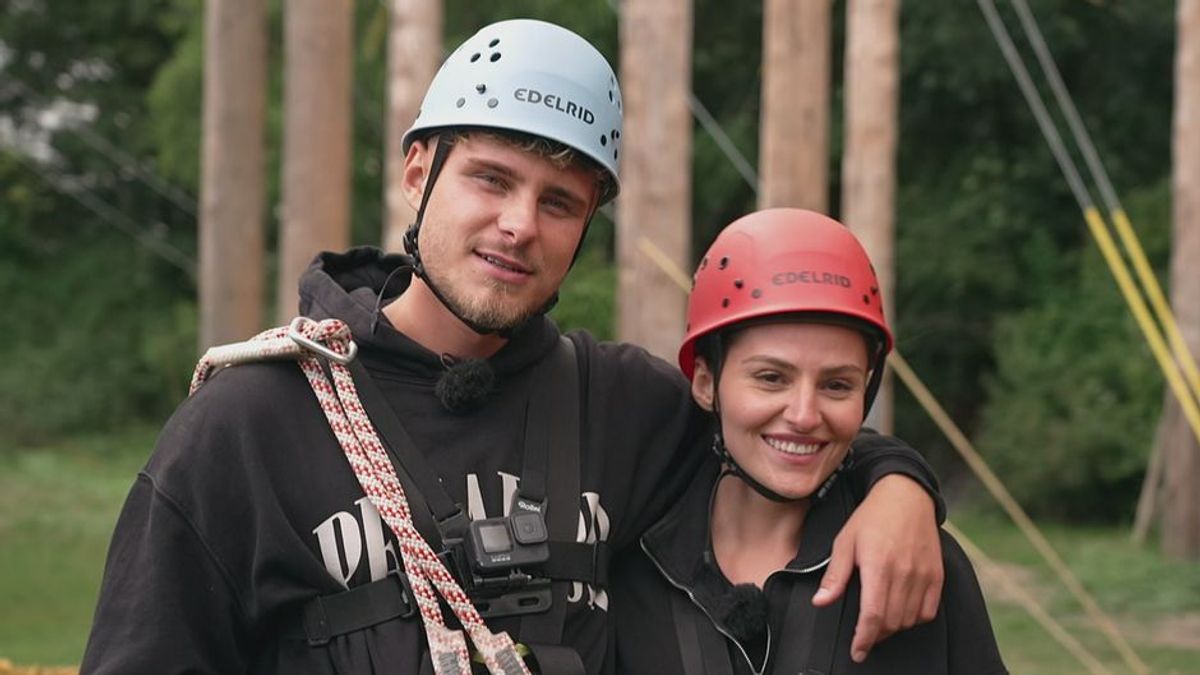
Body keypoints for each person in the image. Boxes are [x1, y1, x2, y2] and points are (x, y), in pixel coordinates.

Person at [81, 19, 945, 675]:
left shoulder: (625, 408)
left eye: (560, 201)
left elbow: (789, 427)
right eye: (490, 179)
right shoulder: (249, 425)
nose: (519, 225)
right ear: (418, 171)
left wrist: (901, 483)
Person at [613, 209, 1006, 674]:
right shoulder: (630, 562)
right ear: (705, 381)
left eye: (837, 385)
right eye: (771, 378)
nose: (804, 415)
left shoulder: (915, 564)